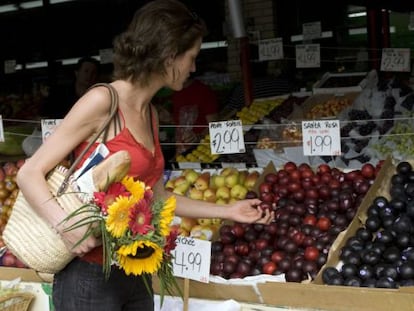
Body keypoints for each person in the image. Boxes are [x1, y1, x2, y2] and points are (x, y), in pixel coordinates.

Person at [16, 1, 273, 310]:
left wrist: (229, 210)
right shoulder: (102, 101)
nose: (194, 67)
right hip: (88, 274)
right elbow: (28, 173)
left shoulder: (150, 113)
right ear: (168, 56)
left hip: (135, 266)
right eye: (191, 57)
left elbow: (158, 198)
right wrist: (65, 225)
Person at [171, 76, 219, 155]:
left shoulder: (203, 91)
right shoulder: (175, 93)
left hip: (203, 151)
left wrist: (198, 137)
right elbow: (177, 123)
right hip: (181, 151)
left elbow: (215, 126)